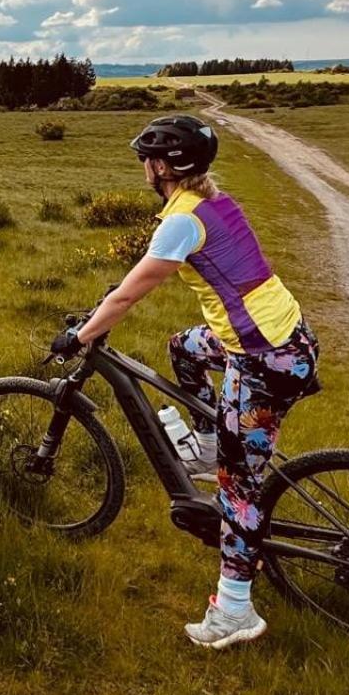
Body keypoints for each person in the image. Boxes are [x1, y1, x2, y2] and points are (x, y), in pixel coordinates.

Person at [60, 113, 319, 649]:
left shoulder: (181, 219)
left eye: (146, 162)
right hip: (280, 336)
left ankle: (234, 611)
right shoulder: (212, 201)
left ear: (162, 167)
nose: (144, 170)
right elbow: (147, 274)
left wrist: (81, 335)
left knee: (239, 492)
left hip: (262, 360)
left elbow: (131, 295)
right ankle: (204, 442)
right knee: (183, 346)